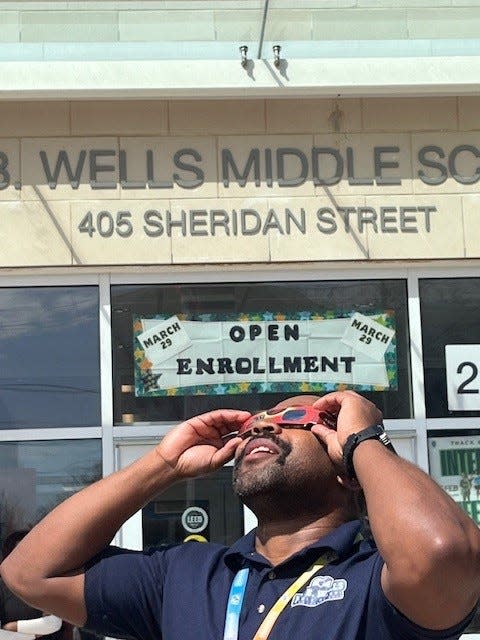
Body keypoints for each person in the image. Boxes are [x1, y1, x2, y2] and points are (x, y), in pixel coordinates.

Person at [1, 390, 480, 640]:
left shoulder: (375, 581)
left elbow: (444, 553)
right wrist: (161, 466)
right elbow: (28, 572)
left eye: (293, 419)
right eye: (256, 424)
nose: (264, 427)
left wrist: (366, 441)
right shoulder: (186, 575)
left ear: (344, 467)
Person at [0, 531, 64, 639]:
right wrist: (33, 634)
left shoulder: (48, 582)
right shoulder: (2, 588)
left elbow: (53, 623)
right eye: (22, 553)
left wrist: (13, 627)